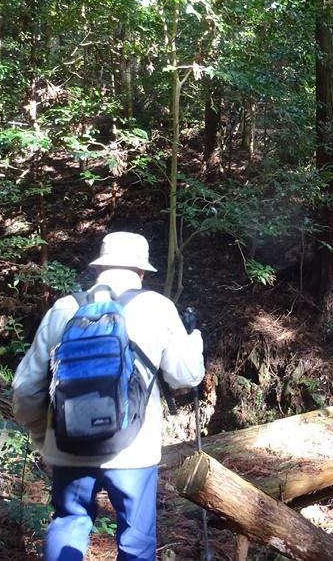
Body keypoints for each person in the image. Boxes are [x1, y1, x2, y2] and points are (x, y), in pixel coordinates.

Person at [12, 232, 205, 561]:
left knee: (69, 522)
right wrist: (196, 339)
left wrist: (43, 436)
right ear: (141, 272)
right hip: (134, 450)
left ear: (99, 268)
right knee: (136, 537)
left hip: (68, 444)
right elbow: (186, 376)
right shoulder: (158, 308)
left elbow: (25, 388)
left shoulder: (64, 309)